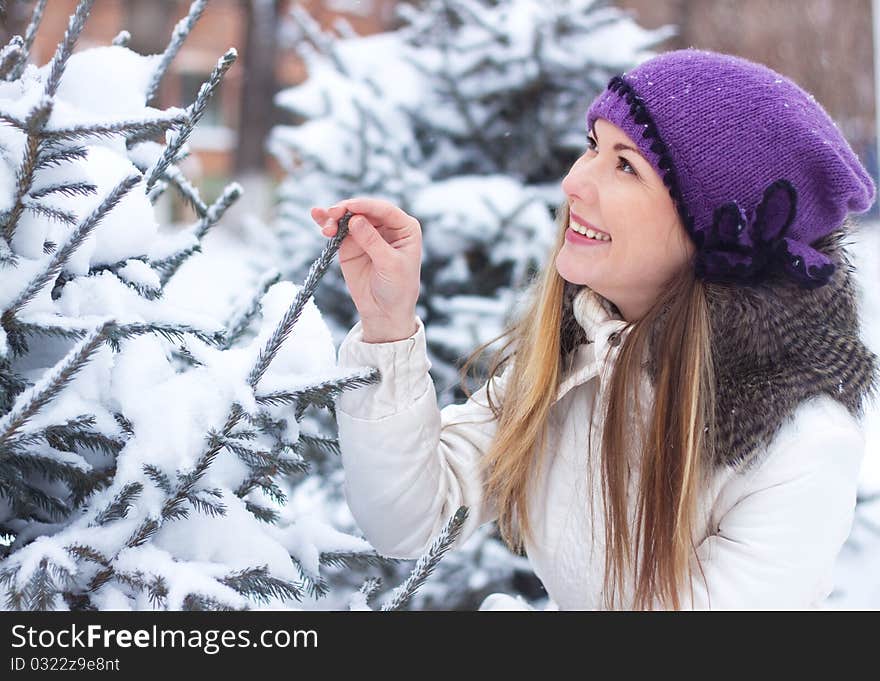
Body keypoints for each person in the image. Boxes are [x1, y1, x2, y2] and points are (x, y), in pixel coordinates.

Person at [310, 48, 878, 610]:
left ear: (712, 233)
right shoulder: (583, 356)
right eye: (592, 147)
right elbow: (410, 517)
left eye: (626, 165)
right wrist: (387, 324)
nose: (573, 182)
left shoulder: (797, 445)